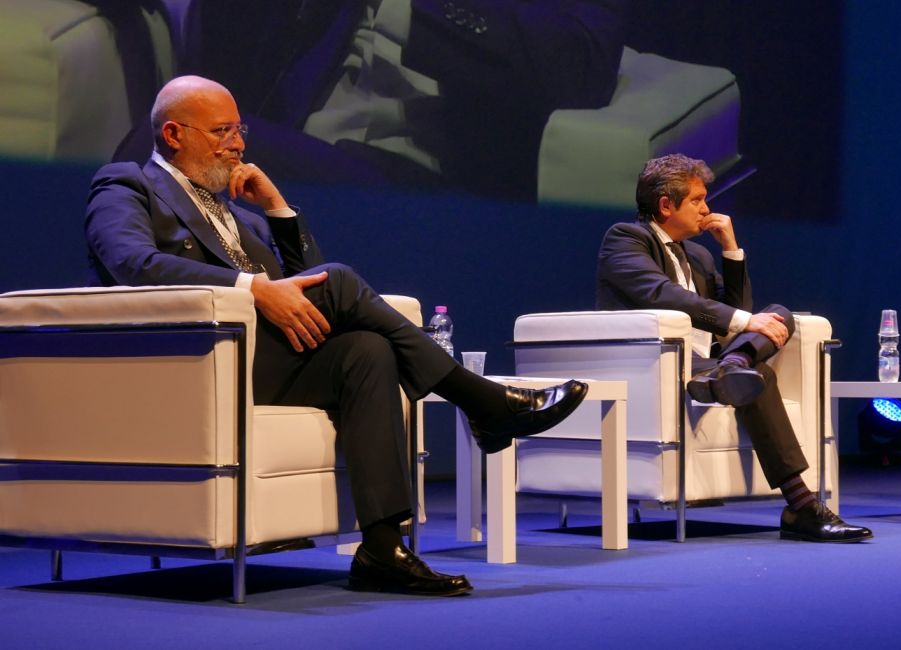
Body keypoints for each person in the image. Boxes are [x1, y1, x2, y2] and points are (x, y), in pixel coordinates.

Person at [84, 75, 589, 596]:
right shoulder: (127, 185)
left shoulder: (242, 218)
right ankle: (481, 401)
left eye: (240, 130)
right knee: (344, 280)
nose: (237, 144)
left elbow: (312, 288)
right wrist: (252, 286)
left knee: (366, 350)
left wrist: (277, 208)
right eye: (221, 131)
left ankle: (382, 549)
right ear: (173, 134)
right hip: (198, 361)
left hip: (263, 359)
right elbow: (132, 264)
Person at [595, 153, 872, 543]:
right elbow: (661, 294)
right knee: (758, 370)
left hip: (707, 364)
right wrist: (744, 324)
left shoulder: (699, 254)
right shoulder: (626, 239)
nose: (707, 209)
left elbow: (738, 312)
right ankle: (801, 507)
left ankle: (731, 368)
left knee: (778, 315)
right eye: (697, 200)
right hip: (653, 368)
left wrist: (731, 249)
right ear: (665, 205)